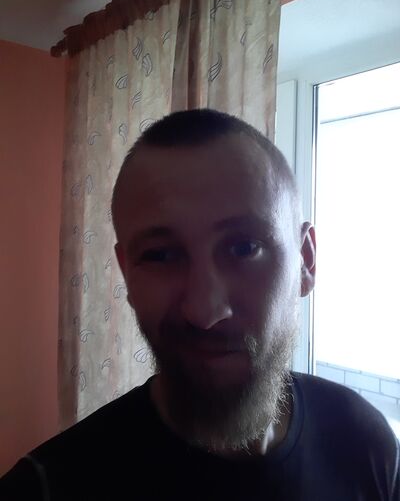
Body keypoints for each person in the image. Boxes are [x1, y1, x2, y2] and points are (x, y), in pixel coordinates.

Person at [0, 109, 398, 500]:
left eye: (244, 247)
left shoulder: (364, 443)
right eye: (160, 255)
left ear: (306, 261)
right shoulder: (45, 487)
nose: (205, 311)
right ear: (126, 273)